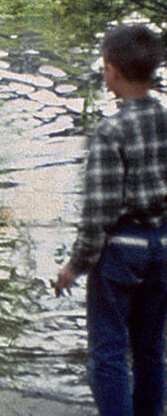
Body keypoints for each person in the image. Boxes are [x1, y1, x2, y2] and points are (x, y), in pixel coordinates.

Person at [53, 24, 167, 416]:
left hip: (122, 250)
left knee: (109, 353)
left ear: (114, 71)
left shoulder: (110, 132)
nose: (104, 74)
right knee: (152, 350)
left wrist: (74, 266)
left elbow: (98, 215)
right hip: (163, 246)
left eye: (104, 68)